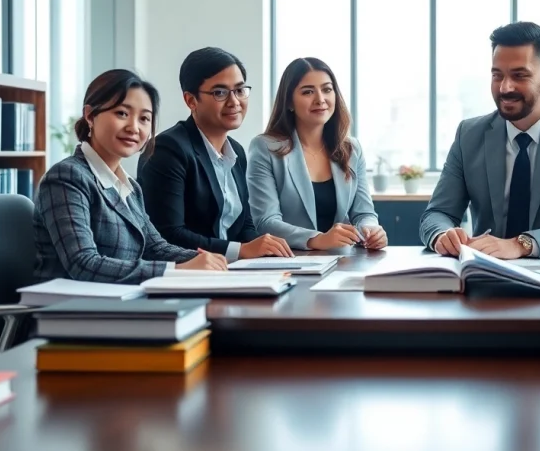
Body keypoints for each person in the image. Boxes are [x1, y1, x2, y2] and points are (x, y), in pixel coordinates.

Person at [420, 21, 540, 259]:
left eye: (519, 75)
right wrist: (442, 234)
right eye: (497, 75)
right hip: (484, 274)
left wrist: (522, 244)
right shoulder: (469, 135)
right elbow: (437, 213)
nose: (505, 87)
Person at [33, 69, 227, 284]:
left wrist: (204, 260)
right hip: (66, 310)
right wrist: (177, 269)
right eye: (122, 113)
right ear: (90, 115)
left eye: (144, 118)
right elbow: (83, 263)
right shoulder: (67, 177)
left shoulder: (130, 187)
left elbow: (156, 247)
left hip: (119, 301)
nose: (134, 127)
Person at [137, 47, 292, 261]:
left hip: (229, 272)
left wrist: (267, 249)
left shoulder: (236, 151)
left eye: (239, 90)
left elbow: (245, 224)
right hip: (187, 274)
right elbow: (168, 234)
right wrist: (240, 250)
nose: (234, 102)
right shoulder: (167, 149)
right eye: (220, 92)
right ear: (191, 100)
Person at [246, 57, 386, 251]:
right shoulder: (265, 147)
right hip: (290, 261)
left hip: (344, 262)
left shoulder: (351, 149)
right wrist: (317, 239)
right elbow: (266, 221)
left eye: (327, 89)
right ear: (289, 102)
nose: (320, 99)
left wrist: (371, 229)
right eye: (308, 92)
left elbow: (363, 213)